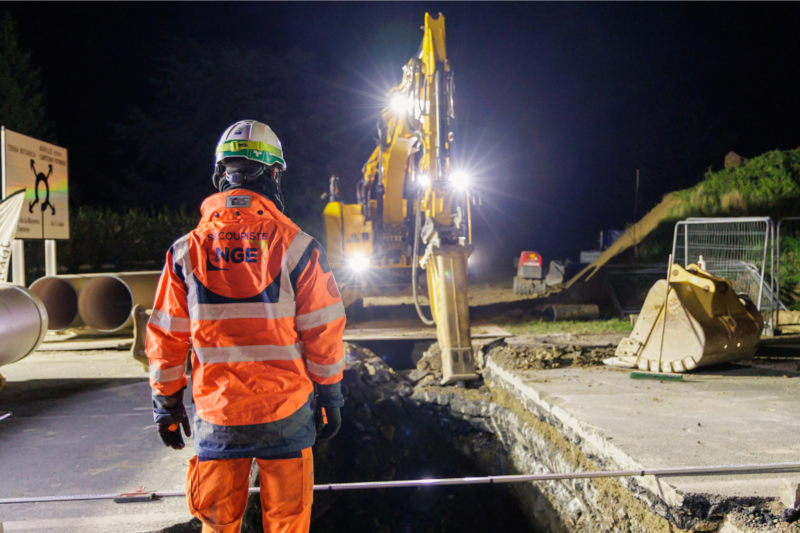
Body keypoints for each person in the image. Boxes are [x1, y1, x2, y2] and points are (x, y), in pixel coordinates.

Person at [146, 120, 346, 533]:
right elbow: (323, 331)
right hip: (286, 413)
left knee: (218, 527)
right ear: (273, 174)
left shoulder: (185, 251)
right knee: (288, 525)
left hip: (219, 416)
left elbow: (166, 337)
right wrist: (330, 394)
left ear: (222, 176)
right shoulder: (299, 247)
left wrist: (166, 404)